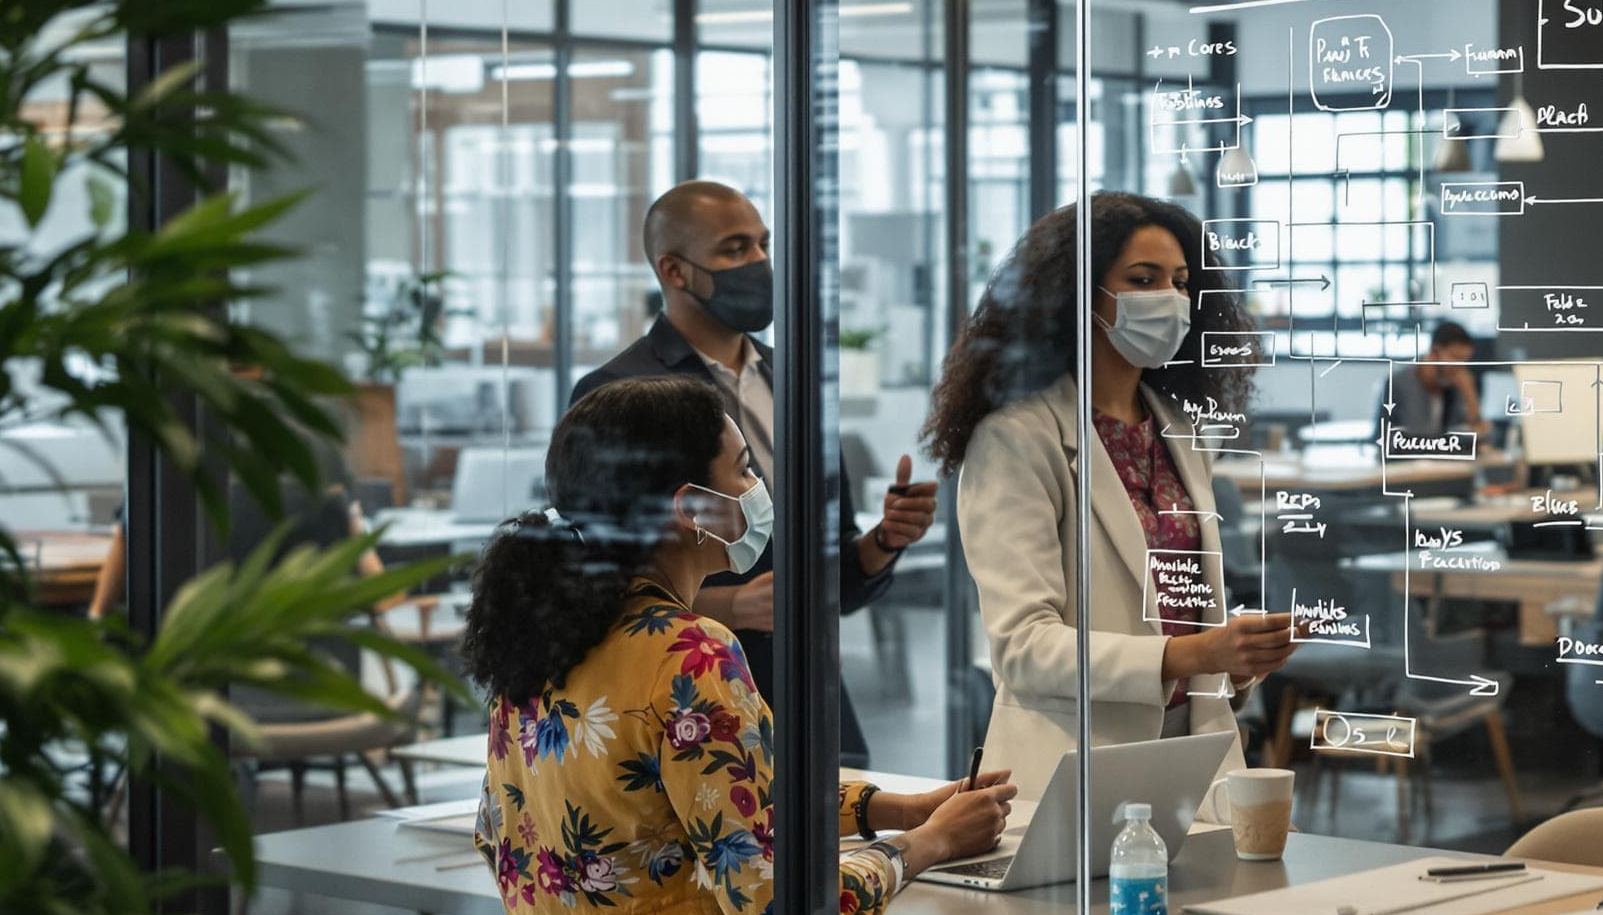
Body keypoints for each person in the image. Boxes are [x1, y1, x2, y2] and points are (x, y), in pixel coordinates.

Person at [460, 376, 1014, 915]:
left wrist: (892, 809)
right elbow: (777, 910)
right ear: (690, 508)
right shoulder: (690, 655)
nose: (759, 489)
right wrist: (923, 846)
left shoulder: (537, 642)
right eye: (745, 469)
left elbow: (542, 833)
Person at [921, 192, 1300, 808]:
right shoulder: (1018, 437)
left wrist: (1236, 659)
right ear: (1077, 295)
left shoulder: (1180, 429)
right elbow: (1023, 648)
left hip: (1192, 756)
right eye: (1143, 280)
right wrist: (1193, 652)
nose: (1170, 299)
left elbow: (1180, 612)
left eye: (1180, 282)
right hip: (1075, 764)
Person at [572, 179, 936, 768]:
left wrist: (884, 540)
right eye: (735, 249)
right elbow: (598, 585)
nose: (760, 262)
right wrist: (731, 606)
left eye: (763, 244)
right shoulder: (619, 393)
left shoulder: (798, 379)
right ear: (674, 270)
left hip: (812, 704)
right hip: (685, 704)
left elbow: (831, 578)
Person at [1380, 320, 1483, 439]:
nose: (1460, 368)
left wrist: (1470, 397)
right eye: (1455, 358)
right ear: (1434, 353)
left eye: (1464, 361)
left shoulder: (1454, 387)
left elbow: (1478, 434)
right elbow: (1415, 435)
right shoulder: (1400, 384)